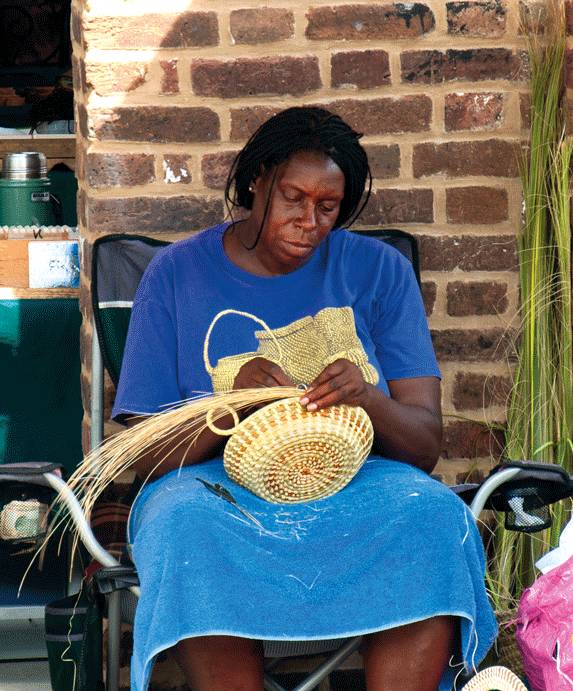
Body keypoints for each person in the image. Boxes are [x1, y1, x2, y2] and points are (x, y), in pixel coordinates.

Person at [112, 106, 497, 691]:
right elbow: (145, 456)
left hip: (359, 482)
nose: (309, 222)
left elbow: (423, 447)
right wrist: (231, 409)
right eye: (293, 198)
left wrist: (367, 398)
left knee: (432, 515)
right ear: (257, 181)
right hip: (213, 493)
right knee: (181, 524)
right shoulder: (175, 274)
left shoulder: (379, 270)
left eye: (328, 207)